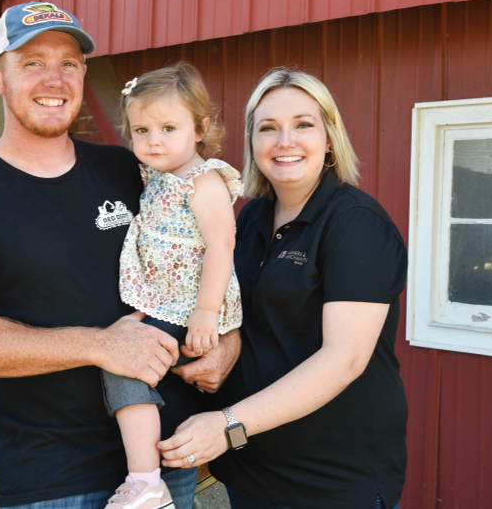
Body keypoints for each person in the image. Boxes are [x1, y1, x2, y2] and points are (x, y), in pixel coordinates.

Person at [0, 1, 239, 509]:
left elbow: (209, 252)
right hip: (54, 478)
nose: (54, 79)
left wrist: (226, 343)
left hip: (169, 460)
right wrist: (98, 345)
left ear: (83, 74)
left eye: (68, 63)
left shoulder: (133, 170)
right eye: (32, 63)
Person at [158, 68, 409, 508]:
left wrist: (227, 424)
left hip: (330, 480)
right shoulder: (250, 218)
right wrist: (224, 345)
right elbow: (241, 310)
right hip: (250, 471)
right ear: (253, 144)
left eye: (304, 125)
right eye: (268, 128)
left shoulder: (356, 224)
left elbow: (345, 358)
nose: (285, 141)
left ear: (329, 138)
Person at [101, 63, 243, 509]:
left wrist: (205, 314)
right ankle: (149, 476)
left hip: (190, 305)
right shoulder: (159, 176)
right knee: (125, 360)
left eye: (168, 127)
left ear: (201, 128)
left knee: (125, 361)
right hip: (166, 298)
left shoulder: (203, 181)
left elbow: (222, 244)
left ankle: (145, 483)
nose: (153, 140)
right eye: (140, 129)